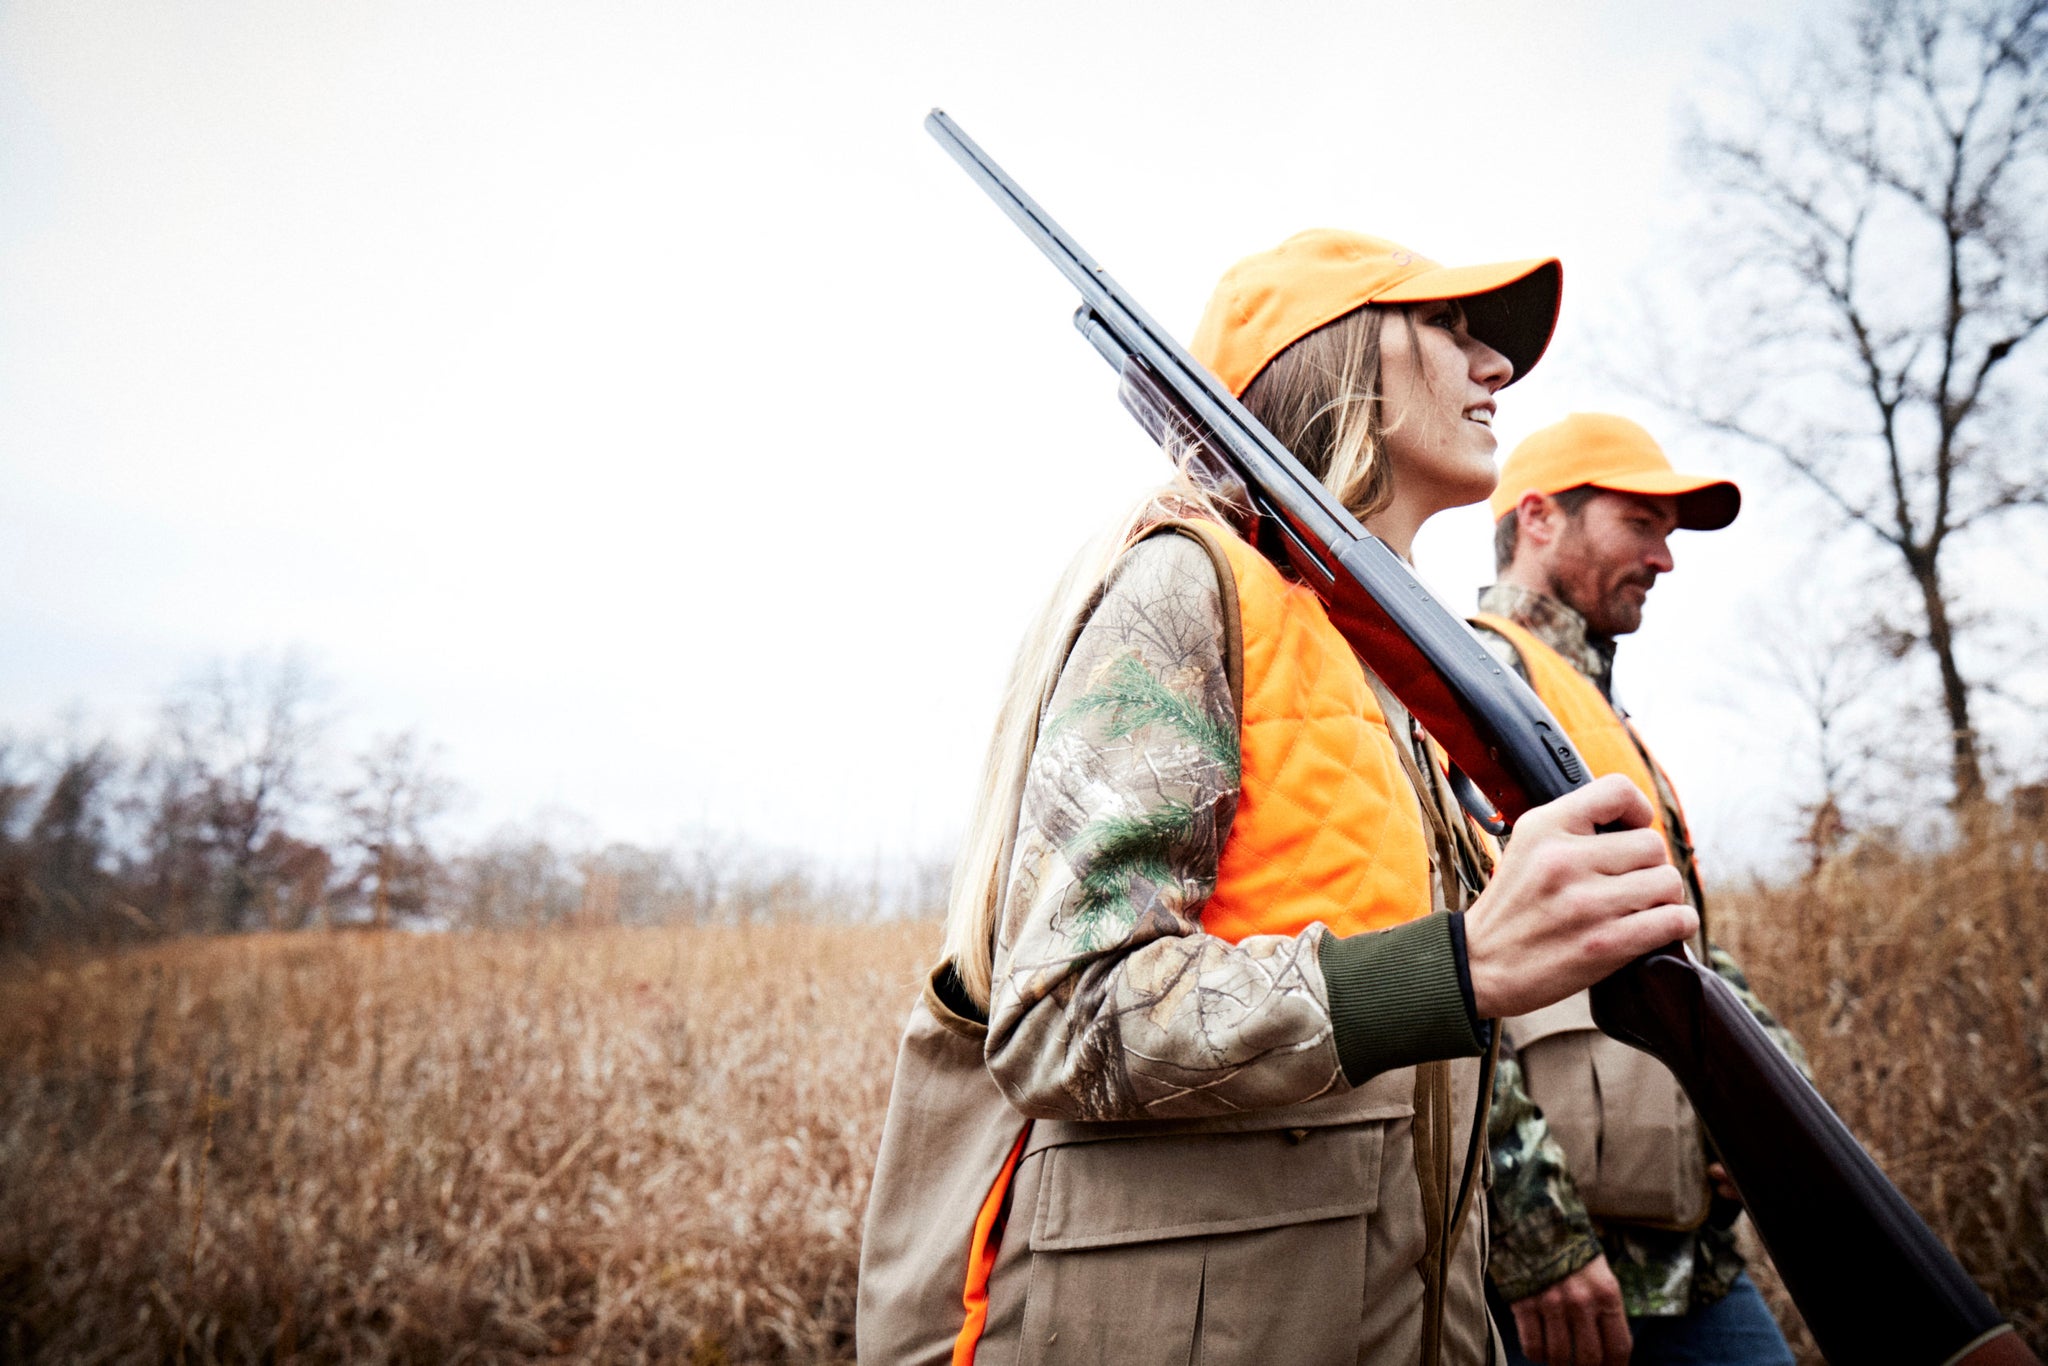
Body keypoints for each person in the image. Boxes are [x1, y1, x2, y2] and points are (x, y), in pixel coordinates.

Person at [857, 235, 1700, 1366]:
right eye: (1448, 328)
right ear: (1333, 358)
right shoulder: (1186, 580)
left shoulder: (1391, 669)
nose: (1495, 368)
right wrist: (1454, 968)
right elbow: (1062, 1013)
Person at [1471, 412, 1810, 1366]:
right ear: (1540, 518)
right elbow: (1449, 964)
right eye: (1640, 524)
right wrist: (1537, 1237)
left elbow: (1679, 940)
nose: (1664, 558)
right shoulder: (1478, 685)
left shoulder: (1592, 708)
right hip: (1572, 1274)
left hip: (1681, 1251)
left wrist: (1771, 1103)